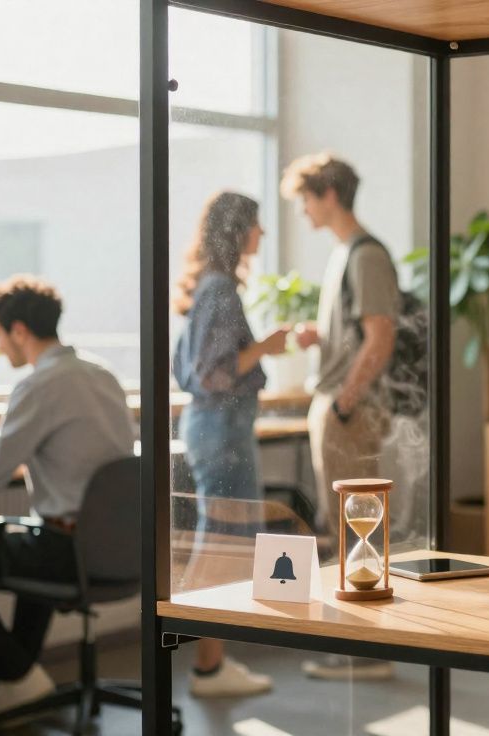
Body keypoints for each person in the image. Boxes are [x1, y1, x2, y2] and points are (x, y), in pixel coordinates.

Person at [0, 277, 134, 727]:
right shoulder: (102, 374)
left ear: (19, 331)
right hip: (120, 548)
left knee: (30, 540)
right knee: (33, 534)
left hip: (68, 549)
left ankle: (19, 676)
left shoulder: (41, 384)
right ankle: (18, 683)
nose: (0, 346)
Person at [281, 152, 400, 682]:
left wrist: (344, 402)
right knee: (347, 525)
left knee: (357, 526)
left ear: (329, 195)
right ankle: (358, 643)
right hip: (338, 404)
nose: (302, 210)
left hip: (347, 410)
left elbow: (381, 337)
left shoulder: (365, 255)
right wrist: (319, 337)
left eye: (306, 198)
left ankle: (365, 651)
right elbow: (359, 335)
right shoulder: (344, 255)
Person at [172, 191, 284, 698]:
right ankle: (209, 668)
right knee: (224, 545)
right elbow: (214, 374)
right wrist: (266, 346)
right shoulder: (220, 289)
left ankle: (211, 663)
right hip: (221, 432)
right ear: (239, 230)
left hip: (213, 431)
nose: (262, 234)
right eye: (257, 225)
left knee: (222, 542)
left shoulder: (210, 287)